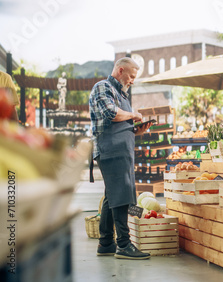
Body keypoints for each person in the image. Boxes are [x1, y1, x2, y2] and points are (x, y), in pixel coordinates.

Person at [89, 57, 151, 260]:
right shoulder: (103, 87)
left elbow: (121, 123)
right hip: (110, 149)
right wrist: (133, 115)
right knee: (121, 196)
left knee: (111, 196)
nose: (133, 80)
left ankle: (106, 242)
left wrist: (137, 130)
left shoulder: (122, 93)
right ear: (121, 70)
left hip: (122, 149)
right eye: (131, 76)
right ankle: (124, 244)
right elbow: (110, 113)